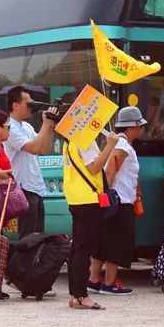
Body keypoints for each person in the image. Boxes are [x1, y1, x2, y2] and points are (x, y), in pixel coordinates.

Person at [89, 106, 145, 296]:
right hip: (118, 201)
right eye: (140, 126)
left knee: (102, 240)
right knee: (116, 241)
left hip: (114, 199)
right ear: (131, 128)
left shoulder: (119, 144)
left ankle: (94, 279)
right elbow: (110, 172)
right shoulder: (123, 146)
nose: (142, 130)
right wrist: (107, 198)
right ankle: (110, 282)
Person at [63, 130, 120, 310]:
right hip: (88, 200)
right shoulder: (84, 139)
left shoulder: (69, 141)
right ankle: (81, 297)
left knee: (77, 248)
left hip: (76, 198)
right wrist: (110, 146)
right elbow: (94, 167)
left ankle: (75, 294)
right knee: (83, 249)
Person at [4, 85, 57, 238]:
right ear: (15, 105)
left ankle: (35, 263)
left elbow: (44, 149)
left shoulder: (26, 126)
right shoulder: (10, 128)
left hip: (35, 187)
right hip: (22, 188)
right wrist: (45, 125)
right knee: (27, 237)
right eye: (28, 104)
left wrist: (49, 126)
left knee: (38, 237)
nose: (31, 108)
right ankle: (23, 263)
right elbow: (33, 148)